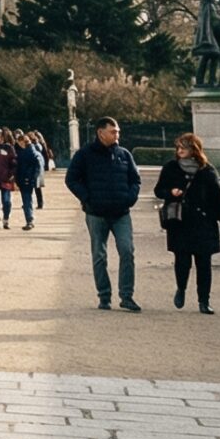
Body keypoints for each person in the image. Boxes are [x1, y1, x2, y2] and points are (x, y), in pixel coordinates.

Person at [65, 116, 143, 311]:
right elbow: (71, 179)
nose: (117, 135)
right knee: (99, 255)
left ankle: (126, 296)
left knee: (127, 251)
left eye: (118, 132)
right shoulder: (84, 155)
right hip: (96, 213)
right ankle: (104, 295)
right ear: (100, 133)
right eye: (113, 131)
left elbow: (135, 180)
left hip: (121, 212)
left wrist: (130, 198)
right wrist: (87, 198)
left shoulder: (124, 154)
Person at [155, 133, 220, 314]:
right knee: (182, 260)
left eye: (184, 147)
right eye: (178, 147)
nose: (180, 150)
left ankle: (204, 300)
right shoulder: (171, 167)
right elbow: (159, 190)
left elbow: (218, 199)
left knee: (204, 263)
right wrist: (170, 192)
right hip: (180, 221)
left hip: (203, 221)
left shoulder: (207, 170)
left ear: (194, 150)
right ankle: (181, 288)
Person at [12, 131, 45, 229]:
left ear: (22, 142)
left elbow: (22, 166)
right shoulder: (33, 151)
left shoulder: (27, 152)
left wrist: (31, 177)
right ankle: (29, 219)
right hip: (26, 178)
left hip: (25, 178)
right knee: (27, 200)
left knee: (27, 200)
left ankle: (29, 220)